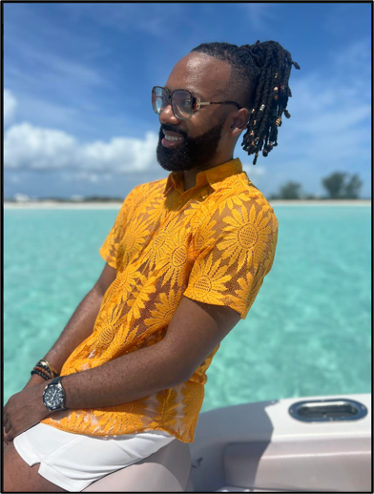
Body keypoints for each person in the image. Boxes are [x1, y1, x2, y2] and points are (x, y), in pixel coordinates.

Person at [3, 40, 300, 492]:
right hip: (75, 387)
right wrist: (40, 376)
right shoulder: (142, 197)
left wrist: (50, 398)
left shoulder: (244, 217)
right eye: (166, 97)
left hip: (137, 414)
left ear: (236, 120)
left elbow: (175, 360)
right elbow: (102, 293)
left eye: (189, 102)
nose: (166, 114)